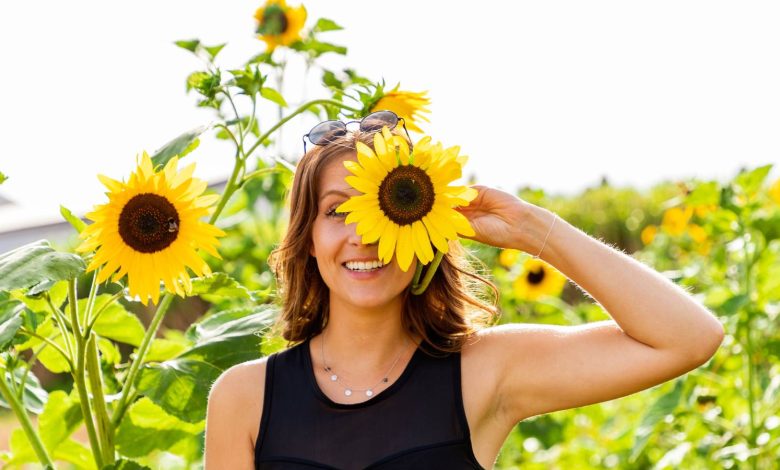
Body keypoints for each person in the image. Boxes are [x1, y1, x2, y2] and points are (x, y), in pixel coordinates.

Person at [203, 111, 725, 469]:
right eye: (338, 210)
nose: (363, 234)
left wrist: (530, 228)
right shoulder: (245, 398)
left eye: (384, 208)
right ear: (309, 239)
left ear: (427, 230)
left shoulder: (486, 371)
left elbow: (688, 337)